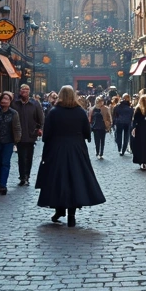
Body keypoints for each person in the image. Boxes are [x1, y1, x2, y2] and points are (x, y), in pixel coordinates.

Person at [35, 85, 106, 227]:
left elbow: (47, 134)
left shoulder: (54, 112)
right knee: (75, 179)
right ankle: (71, 215)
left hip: (57, 148)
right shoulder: (80, 112)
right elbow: (87, 132)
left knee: (58, 179)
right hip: (76, 149)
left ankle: (59, 209)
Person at [11, 84, 44, 186]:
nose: (24, 91)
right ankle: (22, 176)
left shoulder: (35, 104)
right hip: (19, 134)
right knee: (21, 156)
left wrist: (40, 129)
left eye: (27, 89)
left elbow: (40, 118)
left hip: (31, 134)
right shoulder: (15, 103)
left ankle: (27, 175)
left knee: (29, 156)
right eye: (23, 89)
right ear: (20, 91)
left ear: (29, 91)